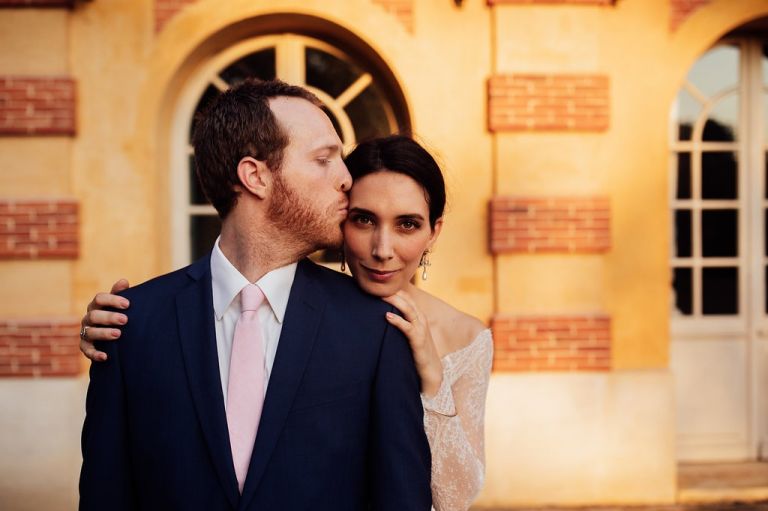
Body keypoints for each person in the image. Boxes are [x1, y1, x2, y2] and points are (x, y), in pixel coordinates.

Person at [81, 134, 493, 510]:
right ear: (341, 219)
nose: (382, 249)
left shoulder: (463, 334)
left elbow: (455, 495)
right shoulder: (295, 301)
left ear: (433, 231)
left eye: (407, 224)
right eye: (364, 219)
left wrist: (433, 380)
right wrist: (123, 328)